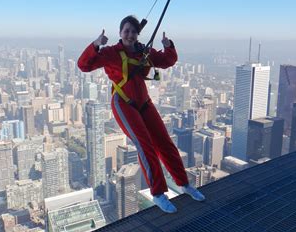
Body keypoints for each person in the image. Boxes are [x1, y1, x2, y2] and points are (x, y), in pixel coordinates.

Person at [78, 15, 205, 213]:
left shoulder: (144, 52)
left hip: (144, 103)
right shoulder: (111, 53)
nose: (129, 34)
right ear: (120, 33)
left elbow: (167, 60)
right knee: (145, 146)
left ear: (138, 34)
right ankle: (158, 194)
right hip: (123, 103)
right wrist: (96, 44)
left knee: (165, 143)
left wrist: (168, 45)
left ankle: (184, 184)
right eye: (126, 31)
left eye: (133, 31)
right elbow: (84, 65)